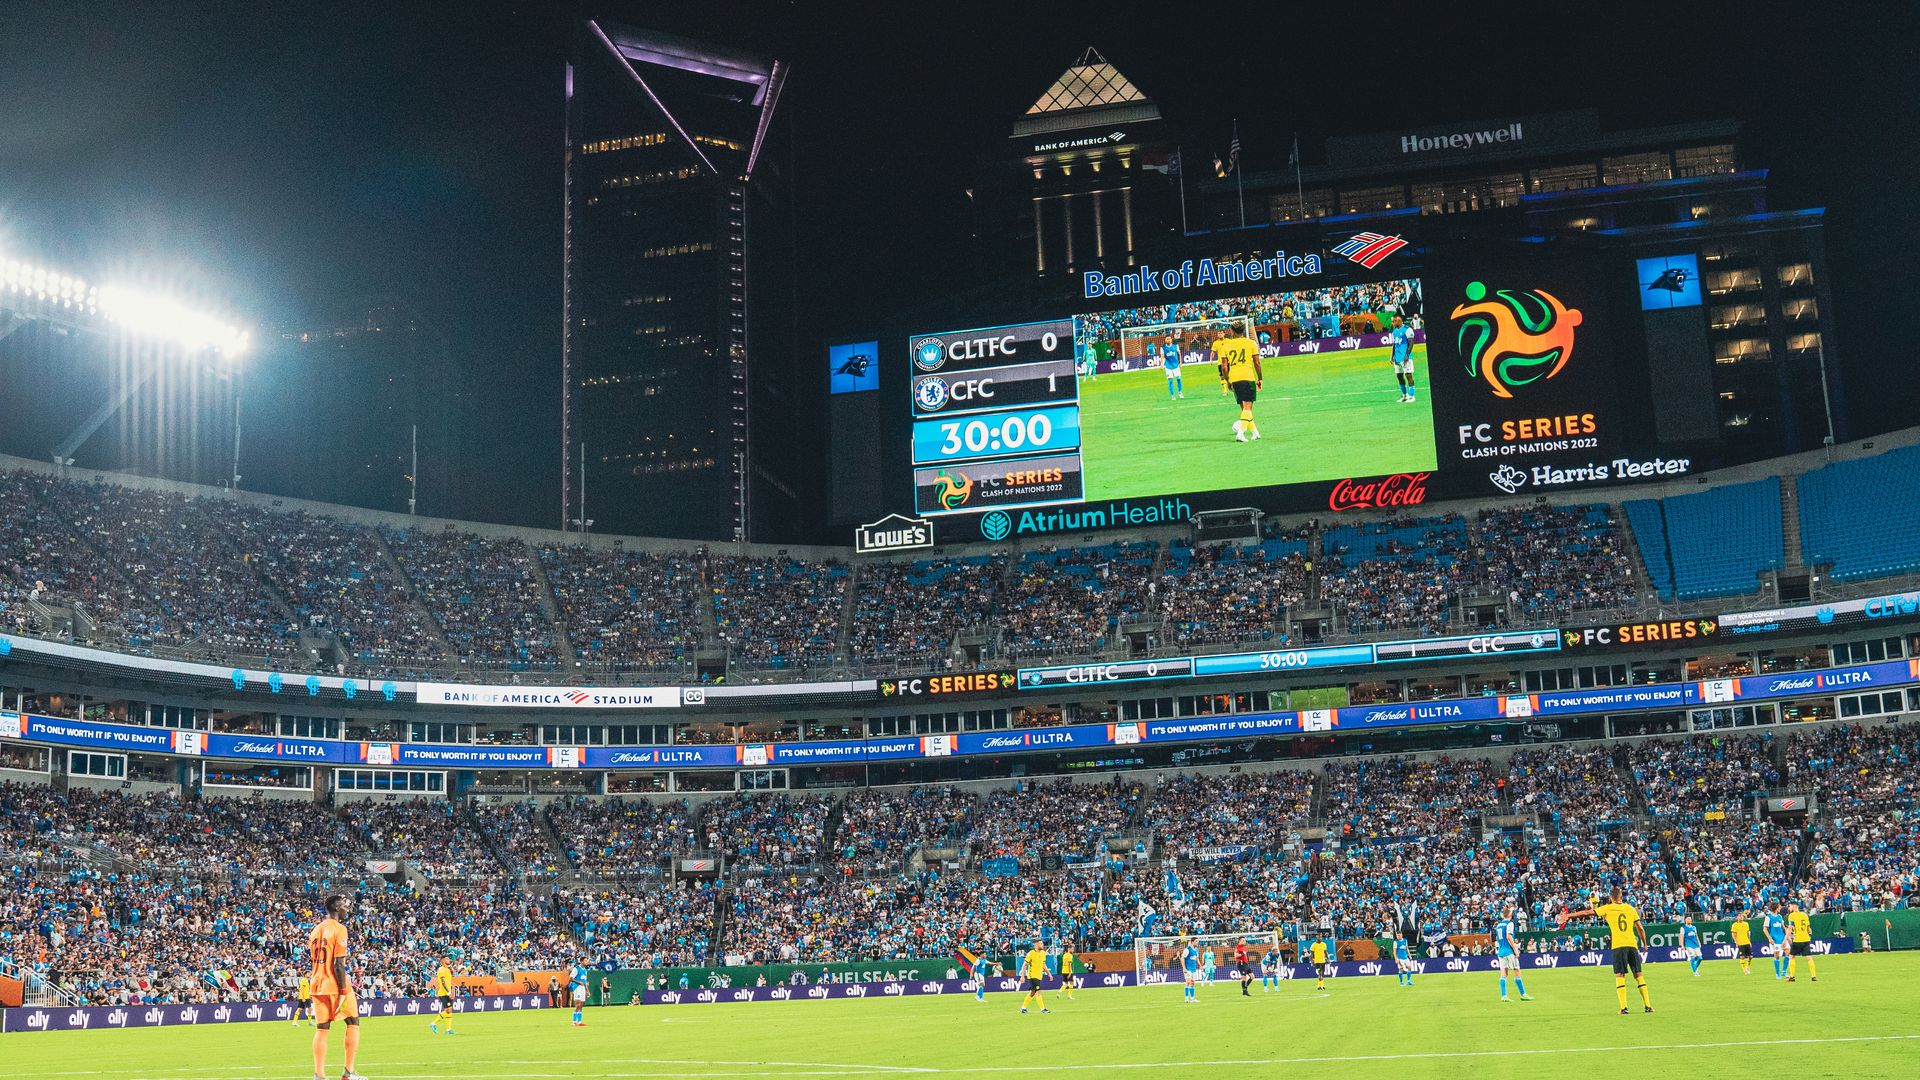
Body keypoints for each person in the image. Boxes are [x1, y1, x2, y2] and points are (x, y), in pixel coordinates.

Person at [306, 894, 366, 1080]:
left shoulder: (315, 930)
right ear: (336, 908)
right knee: (353, 1022)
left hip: (317, 983)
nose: (347, 910)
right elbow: (338, 964)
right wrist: (342, 991)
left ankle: (319, 1075)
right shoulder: (340, 929)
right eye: (344, 907)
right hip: (334, 983)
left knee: (322, 1028)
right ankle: (348, 1072)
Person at [1568, 887, 1653, 1015]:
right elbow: (1640, 928)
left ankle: (1624, 1008)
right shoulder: (1631, 909)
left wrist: (1569, 915)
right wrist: (1645, 943)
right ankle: (1648, 1006)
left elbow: (1586, 913)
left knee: (1620, 975)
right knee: (1638, 975)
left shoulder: (1607, 908)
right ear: (1621, 897)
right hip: (1632, 945)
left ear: (1610, 898)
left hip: (1618, 946)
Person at [1210, 324, 1263, 443]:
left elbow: (1224, 367)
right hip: (1247, 377)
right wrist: (1260, 379)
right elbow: (1257, 363)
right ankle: (1240, 434)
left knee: (1244, 409)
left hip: (1234, 378)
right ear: (1243, 331)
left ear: (1231, 331)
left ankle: (1255, 433)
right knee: (1248, 408)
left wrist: (1228, 380)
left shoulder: (1226, 345)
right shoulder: (1251, 343)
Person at [1494, 906, 1531, 1002]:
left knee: (1503, 973)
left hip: (1501, 951)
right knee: (1517, 971)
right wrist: (1515, 950)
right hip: (1509, 951)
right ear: (1510, 915)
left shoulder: (1498, 925)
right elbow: (1509, 937)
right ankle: (1523, 994)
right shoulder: (1509, 923)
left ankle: (1504, 996)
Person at [1388, 314, 1416, 402]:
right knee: (1399, 376)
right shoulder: (1394, 331)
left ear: (1399, 320)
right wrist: (1391, 356)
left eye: (1394, 321)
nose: (1393, 323)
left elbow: (1411, 343)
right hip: (1397, 359)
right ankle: (1404, 395)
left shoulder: (1407, 329)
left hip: (1405, 358)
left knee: (1408, 376)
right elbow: (1394, 344)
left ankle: (1412, 396)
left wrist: (1407, 355)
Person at [1786, 901, 1816, 983]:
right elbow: (1808, 928)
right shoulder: (1804, 915)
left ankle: (1792, 977)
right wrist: (1809, 936)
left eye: (1790, 906)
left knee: (1791, 957)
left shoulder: (1791, 916)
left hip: (1797, 939)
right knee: (1809, 957)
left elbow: (1790, 928)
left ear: (1794, 906)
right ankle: (1813, 976)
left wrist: (1786, 938)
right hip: (1806, 939)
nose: (1789, 908)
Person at [1018, 941, 1049, 1014]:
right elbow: (1024, 965)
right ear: (1036, 944)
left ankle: (1023, 1008)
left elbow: (1043, 964)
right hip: (1032, 976)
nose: (1043, 945)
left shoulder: (1043, 953)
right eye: (1041, 943)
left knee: (1032, 992)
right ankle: (1043, 1009)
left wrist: (1049, 974)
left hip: (1039, 976)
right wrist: (1022, 976)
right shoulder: (1031, 953)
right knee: (1038, 991)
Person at [430, 956, 457, 1035]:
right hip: (443, 993)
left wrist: (452, 989)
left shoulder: (447, 969)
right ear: (442, 961)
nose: (449, 960)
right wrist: (449, 992)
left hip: (446, 992)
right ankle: (433, 1023)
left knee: (449, 1010)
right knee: (448, 1010)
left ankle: (448, 1030)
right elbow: (443, 982)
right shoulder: (441, 969)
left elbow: (448, 981)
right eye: (447, 959)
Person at [1764, 904, 1790, 980]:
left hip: (1782, 938)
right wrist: (1770, 939)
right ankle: (1777, 973)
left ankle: (1784, 971)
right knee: (1777, 956)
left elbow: (1783, 927)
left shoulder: (1779, 916)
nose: (1780, 908)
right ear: (1776, 908)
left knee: (1788, 952)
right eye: (1779, 907)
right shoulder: (1768, 917)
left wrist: (1787, 937)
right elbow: (1764, 929)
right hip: (1775, 939)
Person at [1730, 911, 1753, 975]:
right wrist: (1736, 942)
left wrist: (1749, 941)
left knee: (1750, 956)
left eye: (1742, 916)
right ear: (1737, 917)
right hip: (1740, 943)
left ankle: (1747, 966)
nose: (1741, 917)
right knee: (1742, 957)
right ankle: (1744, 970)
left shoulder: (1746, 924)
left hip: (1747, 942)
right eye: (1740, 916)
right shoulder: (1734, 925)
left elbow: (1748, 934)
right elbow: (1733, 935)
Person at [569, 960, 591, 1026]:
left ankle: (579, 1022)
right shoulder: (576, 969)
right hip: (577, 987)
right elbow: (570, 978)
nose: (587, 962)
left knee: (581, 1005)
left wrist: (587, 990)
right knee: (577, 1005)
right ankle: (574, 1022)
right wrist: (579, 982)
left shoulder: (585, 970)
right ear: (581, 961)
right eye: (585, 960)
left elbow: (584, 981)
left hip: (583, 988)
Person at [1180, 937, 1200, 1004]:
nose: (1197, 943)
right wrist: (1184, 968)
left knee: (1192, 983)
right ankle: (1186, 998)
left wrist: (1200, 965)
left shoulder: (1196, 950)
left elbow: (1196, 958)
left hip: (1194, 969)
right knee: (1188, 982)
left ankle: (1192, 999)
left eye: (1198, 941)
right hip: (1188, 969)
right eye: (1196, 941)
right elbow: (1182, 958)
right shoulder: (1187, 949)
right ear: (1192, 942)